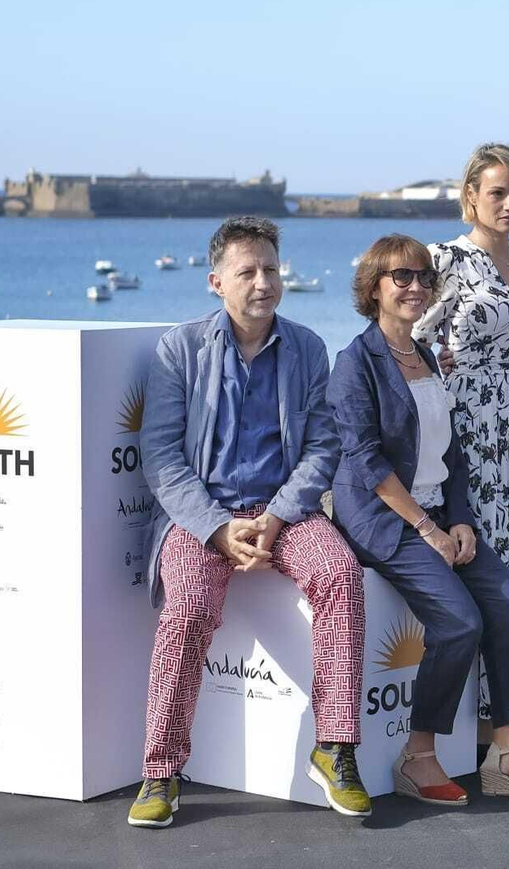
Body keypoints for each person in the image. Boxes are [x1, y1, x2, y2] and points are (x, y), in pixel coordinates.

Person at [130, 216, 368, 828]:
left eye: (270, 269)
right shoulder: (180, 349)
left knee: (340, 574)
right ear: (216, 282)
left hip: (286, 513)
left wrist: (278, 515)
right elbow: (160, 456)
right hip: (201, 518)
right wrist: (215, 528)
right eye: (248, 271)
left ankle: (335, 745)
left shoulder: (308, 348)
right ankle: (162, 771)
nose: (263, 282)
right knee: (186, 606)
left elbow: (322, 449)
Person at [329, 234, 509, 806]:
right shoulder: (355, 363)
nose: (414, 287)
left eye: (422, 278)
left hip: (439, 512)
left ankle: (507, 753)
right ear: (374, 289)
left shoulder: (427, 356)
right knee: (460, 621)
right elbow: (366, 462)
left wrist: (458, 519)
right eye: (399, 278)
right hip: (386, 520)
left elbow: (450, 450)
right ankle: (418, 756)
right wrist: (427, 528)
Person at [412, 143, 509, 734]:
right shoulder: (444, 259)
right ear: (470, 196)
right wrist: (448, 364)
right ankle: (470, 727)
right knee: (481, 566)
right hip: (469, 429)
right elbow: (406, 337)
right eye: (497, 192)